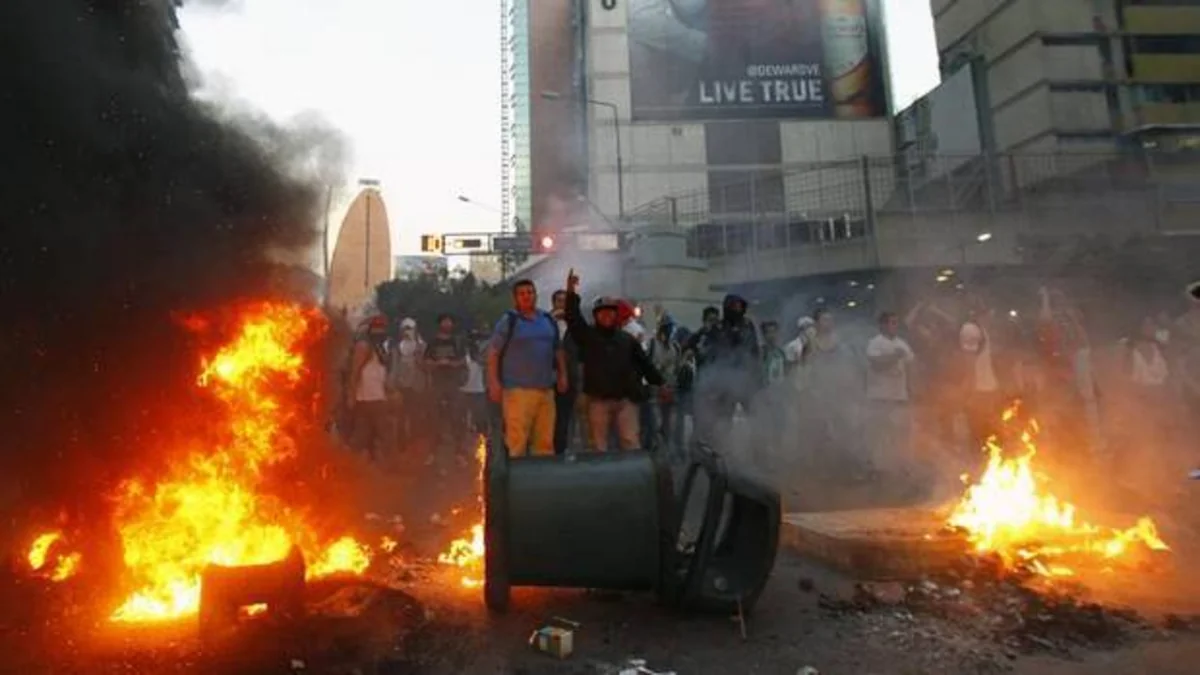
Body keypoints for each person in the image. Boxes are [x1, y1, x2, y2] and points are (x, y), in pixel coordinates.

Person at [563, 269, 664, 451]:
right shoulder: (588, 336)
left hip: (626, 400)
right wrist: (571, 294)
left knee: (631, 442)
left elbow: (645, 364)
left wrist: (661, 384)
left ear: (616, 315)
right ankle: (601, 479)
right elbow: (573, 319)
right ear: (596, 315)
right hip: (597, 400)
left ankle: (634, 478)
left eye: (610, 312)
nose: (606, 315)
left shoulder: (627, 340)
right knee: (598, 447)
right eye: (602, 312)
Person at [487, 279, 568, 456]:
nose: (527, 297)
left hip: (545, 390)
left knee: (545, 443)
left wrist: (563, 375)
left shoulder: (547, 320)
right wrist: (493, 382)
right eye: (522, 293)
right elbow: (493, 352)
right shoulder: (509, 321)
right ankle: (516, 481)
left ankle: (541, 481)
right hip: (517, 391)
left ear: (535, 295)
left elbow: (558, 349)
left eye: (530, 292)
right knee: (517, 442)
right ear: (515, 298)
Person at [865, 312, 916, 480]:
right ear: (882, 325)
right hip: (880, 396)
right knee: (880, 434)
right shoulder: (875, 343)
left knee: (899, 434)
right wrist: (895, 356)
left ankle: (898, 467)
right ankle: (877, 468)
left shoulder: (902, 343)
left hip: (899, 396)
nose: (894, 326)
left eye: (896, 323)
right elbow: (876, 364)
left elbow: (911, 363)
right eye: (891, 323)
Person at [346, 315, 392, 461]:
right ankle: (389, 466)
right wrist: (351, 396)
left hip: (377, 396)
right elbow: (355, 372)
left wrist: (389, 390)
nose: (380, 331)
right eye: (377, 327)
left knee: (364, 435)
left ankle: (350, 463)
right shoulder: (363, 346)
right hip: (366, 397)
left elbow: (380, 373)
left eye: (382, 327)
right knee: (383, 433)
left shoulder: (380, 348)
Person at [424, 313, 468, 449]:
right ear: (440, 324)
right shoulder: (432, 342)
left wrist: (451, 363)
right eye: (445, 322)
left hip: (453, 384)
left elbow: (463, 360)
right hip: (437, 383)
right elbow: (425, 360)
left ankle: (459, 450)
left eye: (449, 322)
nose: (447, 324)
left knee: (457, 417)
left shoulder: (457, 341)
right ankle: (433, 449)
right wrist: (437, 363)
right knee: (434, 418)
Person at [388, 317, 427, 447]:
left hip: (416, 384)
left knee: (415, 412)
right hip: (401, 384)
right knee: (401, 413)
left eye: (410, 328)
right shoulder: (397, 347)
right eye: (405, 328)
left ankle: (415, 439)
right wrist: (392, 383)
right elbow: (394, 365)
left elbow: (424, 366)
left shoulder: (421, 346)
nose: (407, 331)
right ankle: (401, 440)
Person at [550, 290, 581, 455]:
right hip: (548, 379)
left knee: (567, 417)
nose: (562, 305)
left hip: (572, 377)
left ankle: (563, 450)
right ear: (553, 304)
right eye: (559, 301)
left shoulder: (576, 326)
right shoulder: (545, 323)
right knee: (549, 418)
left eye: (565, 302)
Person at [648, 321, 682, 454]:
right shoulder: (652, 345)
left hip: (670, 390)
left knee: (669, 423)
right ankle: (654, 450)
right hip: (655, 390)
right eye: (665, 330)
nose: (667, 334)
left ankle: (667, 451)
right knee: (655, 422)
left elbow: (677, 368)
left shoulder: (675, 347)